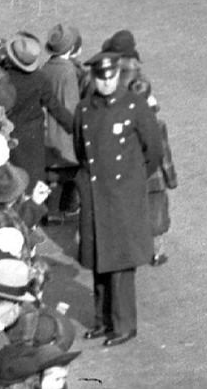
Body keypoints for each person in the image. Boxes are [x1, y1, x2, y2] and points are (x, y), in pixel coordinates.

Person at [75, 47, 164, 348]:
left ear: (119, 76)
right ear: (94, 78)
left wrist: (131, 180)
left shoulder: (134, 106)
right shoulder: (85, 109)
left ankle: (125, 324)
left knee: (122, 264)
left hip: (123, 196)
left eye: (111, 77)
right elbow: (81, 151)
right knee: (100, 260)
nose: (107, 83)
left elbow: (153, 151)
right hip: (97, 193)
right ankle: (103, 320)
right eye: (101, 78)